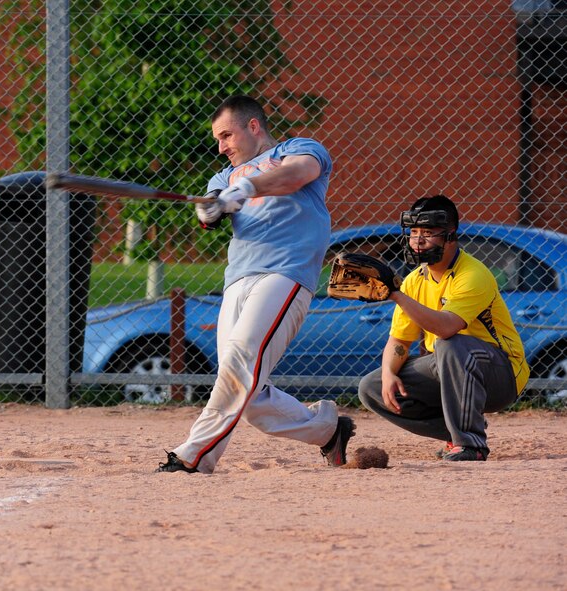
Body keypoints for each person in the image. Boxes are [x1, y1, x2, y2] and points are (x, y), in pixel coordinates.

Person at [156, 95, 355, 474]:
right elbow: (212, 209)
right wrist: (211, 207)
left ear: (253, 126)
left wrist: (246, 188)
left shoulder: (298, 149)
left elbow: (295, 176)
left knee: (241, 363)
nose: (222, 146)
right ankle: (328, 430)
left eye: (227, 135)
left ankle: (193, 456)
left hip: (285, 274)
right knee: (249, 394)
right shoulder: (222, 178)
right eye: (218, 139)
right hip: (238, 280)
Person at [357, 195, 530, 461]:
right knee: (371, 386)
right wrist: (390, 374)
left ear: (451, 235)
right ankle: (458, 429)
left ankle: (470, 444)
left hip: (501, 373)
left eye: (428, 232)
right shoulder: (414, 280)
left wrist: (396, 295)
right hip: (450, 365)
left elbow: (447, 328)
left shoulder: (473, 274)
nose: (418, 240)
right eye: (414, 232)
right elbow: (399, 341)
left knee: (450, 344)